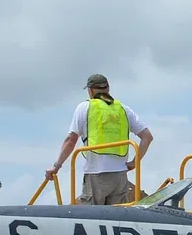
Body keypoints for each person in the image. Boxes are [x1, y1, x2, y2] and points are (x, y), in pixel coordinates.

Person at [46, 74, 154, 205]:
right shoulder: (123, 109)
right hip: (119, 176)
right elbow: (147, 137)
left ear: (90, 90)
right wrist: (134, 163)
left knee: (92, 215)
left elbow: (71, 140)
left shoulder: (84, 107)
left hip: (96, 174)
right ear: (108, 89)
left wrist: (56, 166)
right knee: (117, 215)